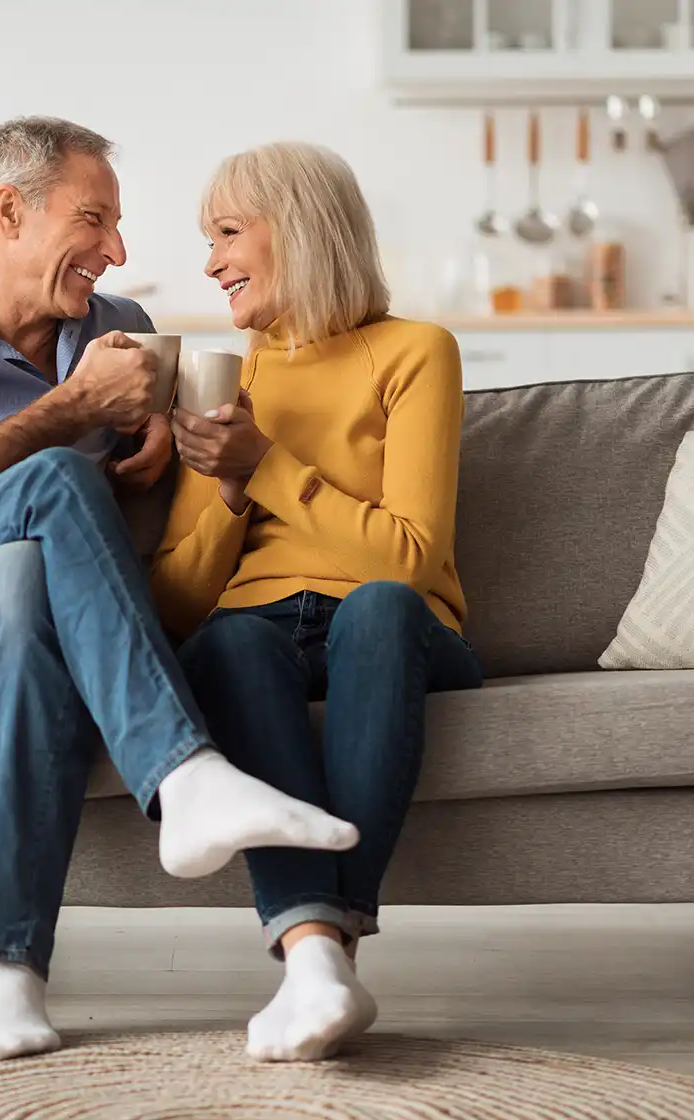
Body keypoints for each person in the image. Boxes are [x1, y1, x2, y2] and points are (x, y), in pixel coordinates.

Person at [0, 117, 358, 1065]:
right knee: (55, 481)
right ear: (10, 211)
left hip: (10, 629)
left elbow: (187, 469)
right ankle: (184, 775)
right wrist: (68, 417)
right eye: (94, 220)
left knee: (22, 580)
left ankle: (9, 977)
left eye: (118, 226)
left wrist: (169, 452)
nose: (118, 251)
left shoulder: (123, 335)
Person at [152, 141, 483, 1063]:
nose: (211, 262)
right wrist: (223, 492)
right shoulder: (229, 379)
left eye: (226, 233)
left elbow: (411, 562)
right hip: (257, 625)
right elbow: (178, 602)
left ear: (297, 229)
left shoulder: (415, 353)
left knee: (377, 607)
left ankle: (325, 944)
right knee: (226, 647)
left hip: (398, 628)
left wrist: (267, 466)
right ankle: (315, 966)